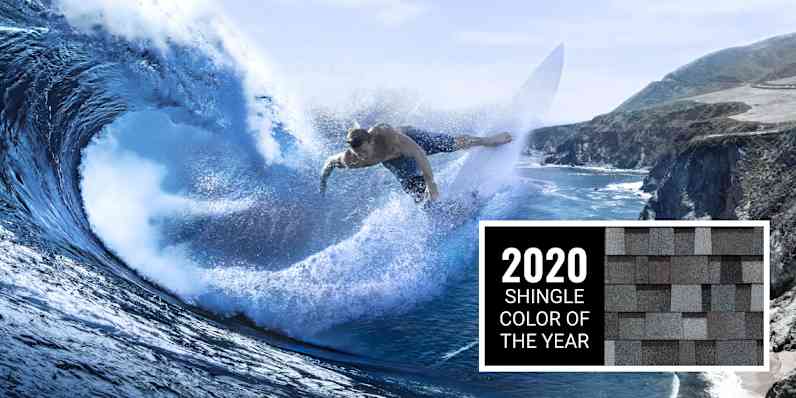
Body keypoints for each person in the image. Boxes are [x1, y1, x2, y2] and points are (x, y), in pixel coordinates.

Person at [319, 123, 512, 203]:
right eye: (357, 153)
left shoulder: (388, 136)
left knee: (449, 144)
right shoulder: (351, 159)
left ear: (371, 140)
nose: (361, 156)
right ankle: (443, 211)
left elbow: (419, 154)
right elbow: (330, 162)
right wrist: (323, 181)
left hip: (411, 140)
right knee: (418, 195)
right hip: (396, 163)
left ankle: (487, 140)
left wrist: (432, 184)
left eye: (363, 151)